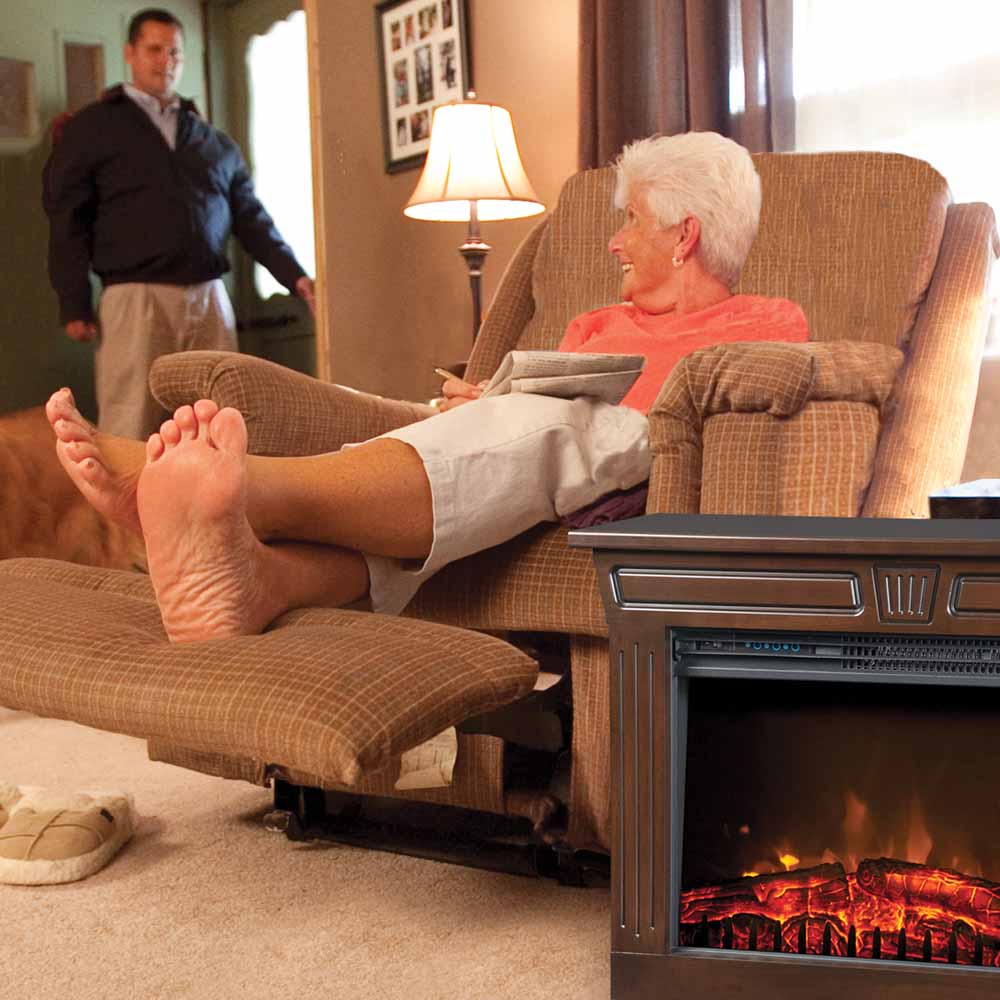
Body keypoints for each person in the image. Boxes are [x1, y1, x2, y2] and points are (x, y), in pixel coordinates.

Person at [46, 132, 808, 645]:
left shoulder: (769, 320)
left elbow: (726, 408)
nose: (615, 240)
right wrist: (489, 402)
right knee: (477, 433)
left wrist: (529, 411)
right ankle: (261, 580)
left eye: (633, 221)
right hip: (532, 456)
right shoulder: (596, 322)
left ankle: (234, 490)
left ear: (685, 235)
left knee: (568, 429)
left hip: (637, 458)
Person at [43, 7, 316, 440]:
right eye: (154, 49)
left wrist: (295, 275)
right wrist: (73, 301)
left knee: (219, 423)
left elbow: (251, 218)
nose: (165, 61)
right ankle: (124, 511)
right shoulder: (93, 128)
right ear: (130, 53)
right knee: (130, 423)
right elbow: (67, 217)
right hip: (135, 299)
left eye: (174, 52)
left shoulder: (212, 141)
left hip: (208, 299)